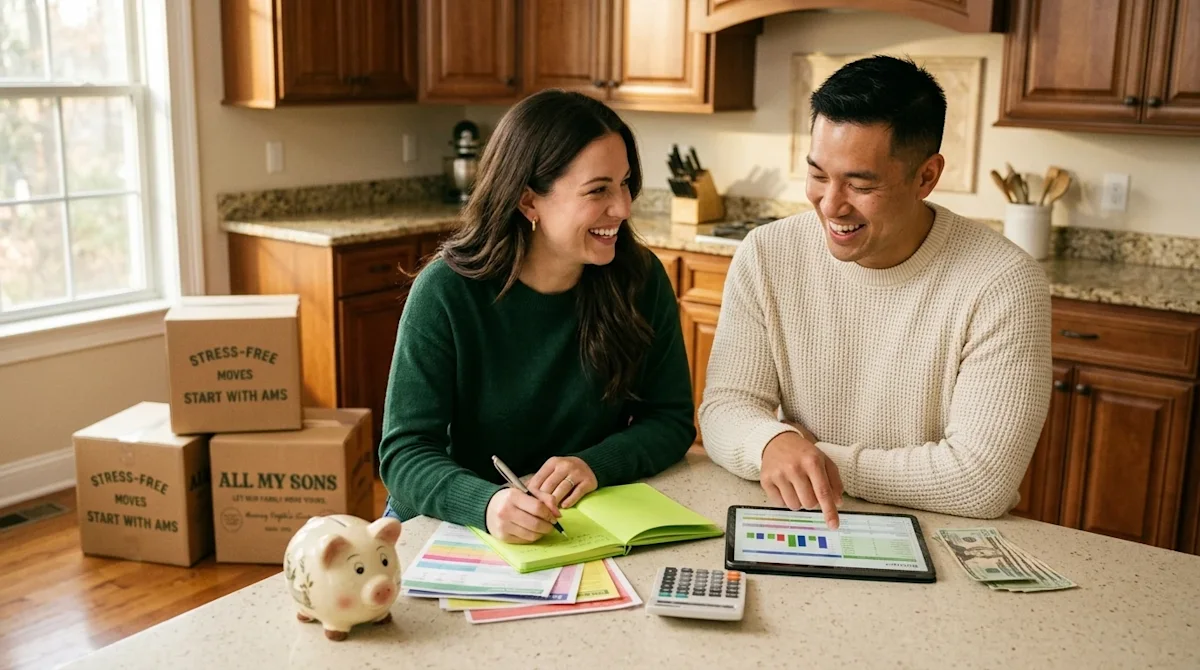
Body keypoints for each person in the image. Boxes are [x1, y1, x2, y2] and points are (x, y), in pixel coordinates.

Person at [698, 55, 1052, 529]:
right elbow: (723, 411)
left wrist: (803, 454)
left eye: (860, 184)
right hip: (799, 519)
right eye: (819, 175)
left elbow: (980, 480)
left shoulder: (1003, 282)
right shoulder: (766, 253)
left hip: (938, 534)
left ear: (926, 176)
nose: (830, 204)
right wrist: (771, 443)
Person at [379, 89, 696, 544]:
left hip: (576, 521)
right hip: (448, 519)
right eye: (598, 190)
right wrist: (485, 505)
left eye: (625, 183)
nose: (623, 208)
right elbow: (404, 455)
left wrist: (594, 464)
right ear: (529, 202)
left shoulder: (640, 279)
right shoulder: (445, 292)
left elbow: (670, 419)